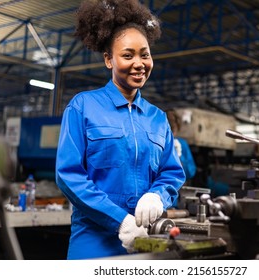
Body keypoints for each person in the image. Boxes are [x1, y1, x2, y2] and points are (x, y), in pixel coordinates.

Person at [55, 0, 185, 260]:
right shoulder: (83, 107)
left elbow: (171, 173)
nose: (139, 63)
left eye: (145, 54)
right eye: (128, 55)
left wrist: (157, 196)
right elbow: (69, 175)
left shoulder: (158, 118)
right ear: (108, 60)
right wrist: (119, 220)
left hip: (146, 241)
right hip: (93, 243)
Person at [165, 109, 197, 183]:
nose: (170, 135)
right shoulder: (156, 143)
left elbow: (191, 171)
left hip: (179, 185)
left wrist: (181, 162)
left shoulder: (182, 144)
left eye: (173, 130)